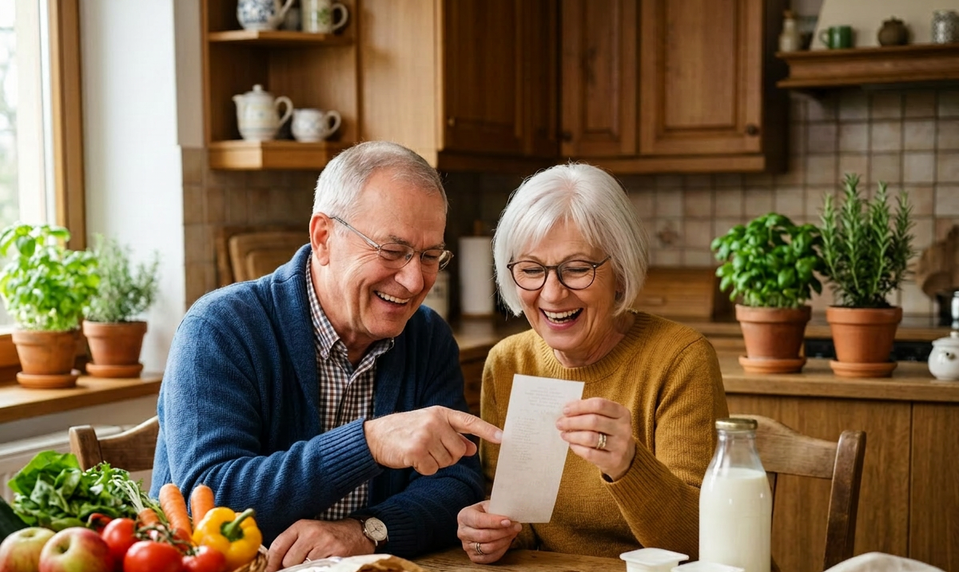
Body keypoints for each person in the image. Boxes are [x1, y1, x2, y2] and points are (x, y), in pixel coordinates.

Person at [150, 141, 502, 571]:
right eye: (392, 251)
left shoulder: (427, 337)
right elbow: (209, 499)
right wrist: (369, 443)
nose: (413, 281)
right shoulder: (220, 328)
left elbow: (457, 483)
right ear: (323, 238)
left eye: (430, 256)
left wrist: (366, 530)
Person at [456, 163, 728, 562]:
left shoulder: (680, 360)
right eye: (531, 270)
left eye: (577, 269)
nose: (552, 293)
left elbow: (703, 543)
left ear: (620, 271)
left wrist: (629, 465)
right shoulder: (508, 363)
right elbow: (519, 528)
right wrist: (488, 530)